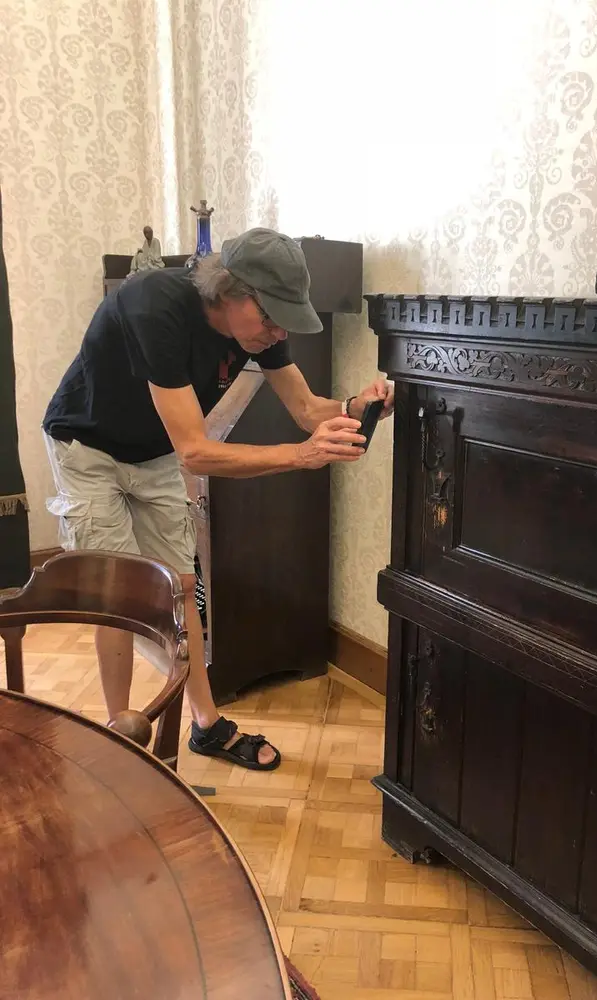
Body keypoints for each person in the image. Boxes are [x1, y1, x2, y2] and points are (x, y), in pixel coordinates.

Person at [43, 227, 394, 770]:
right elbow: (195, 452)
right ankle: (120, 736)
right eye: (271, 317)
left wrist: (355, 405)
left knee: (181, 587)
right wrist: (301, 456)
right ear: (230, 290)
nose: (278, 332)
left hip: (154, 450)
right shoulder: (154, 304)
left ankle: (206, 726)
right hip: (87, 446)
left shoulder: (262, 332)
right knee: (118, 594)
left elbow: (307, 410)